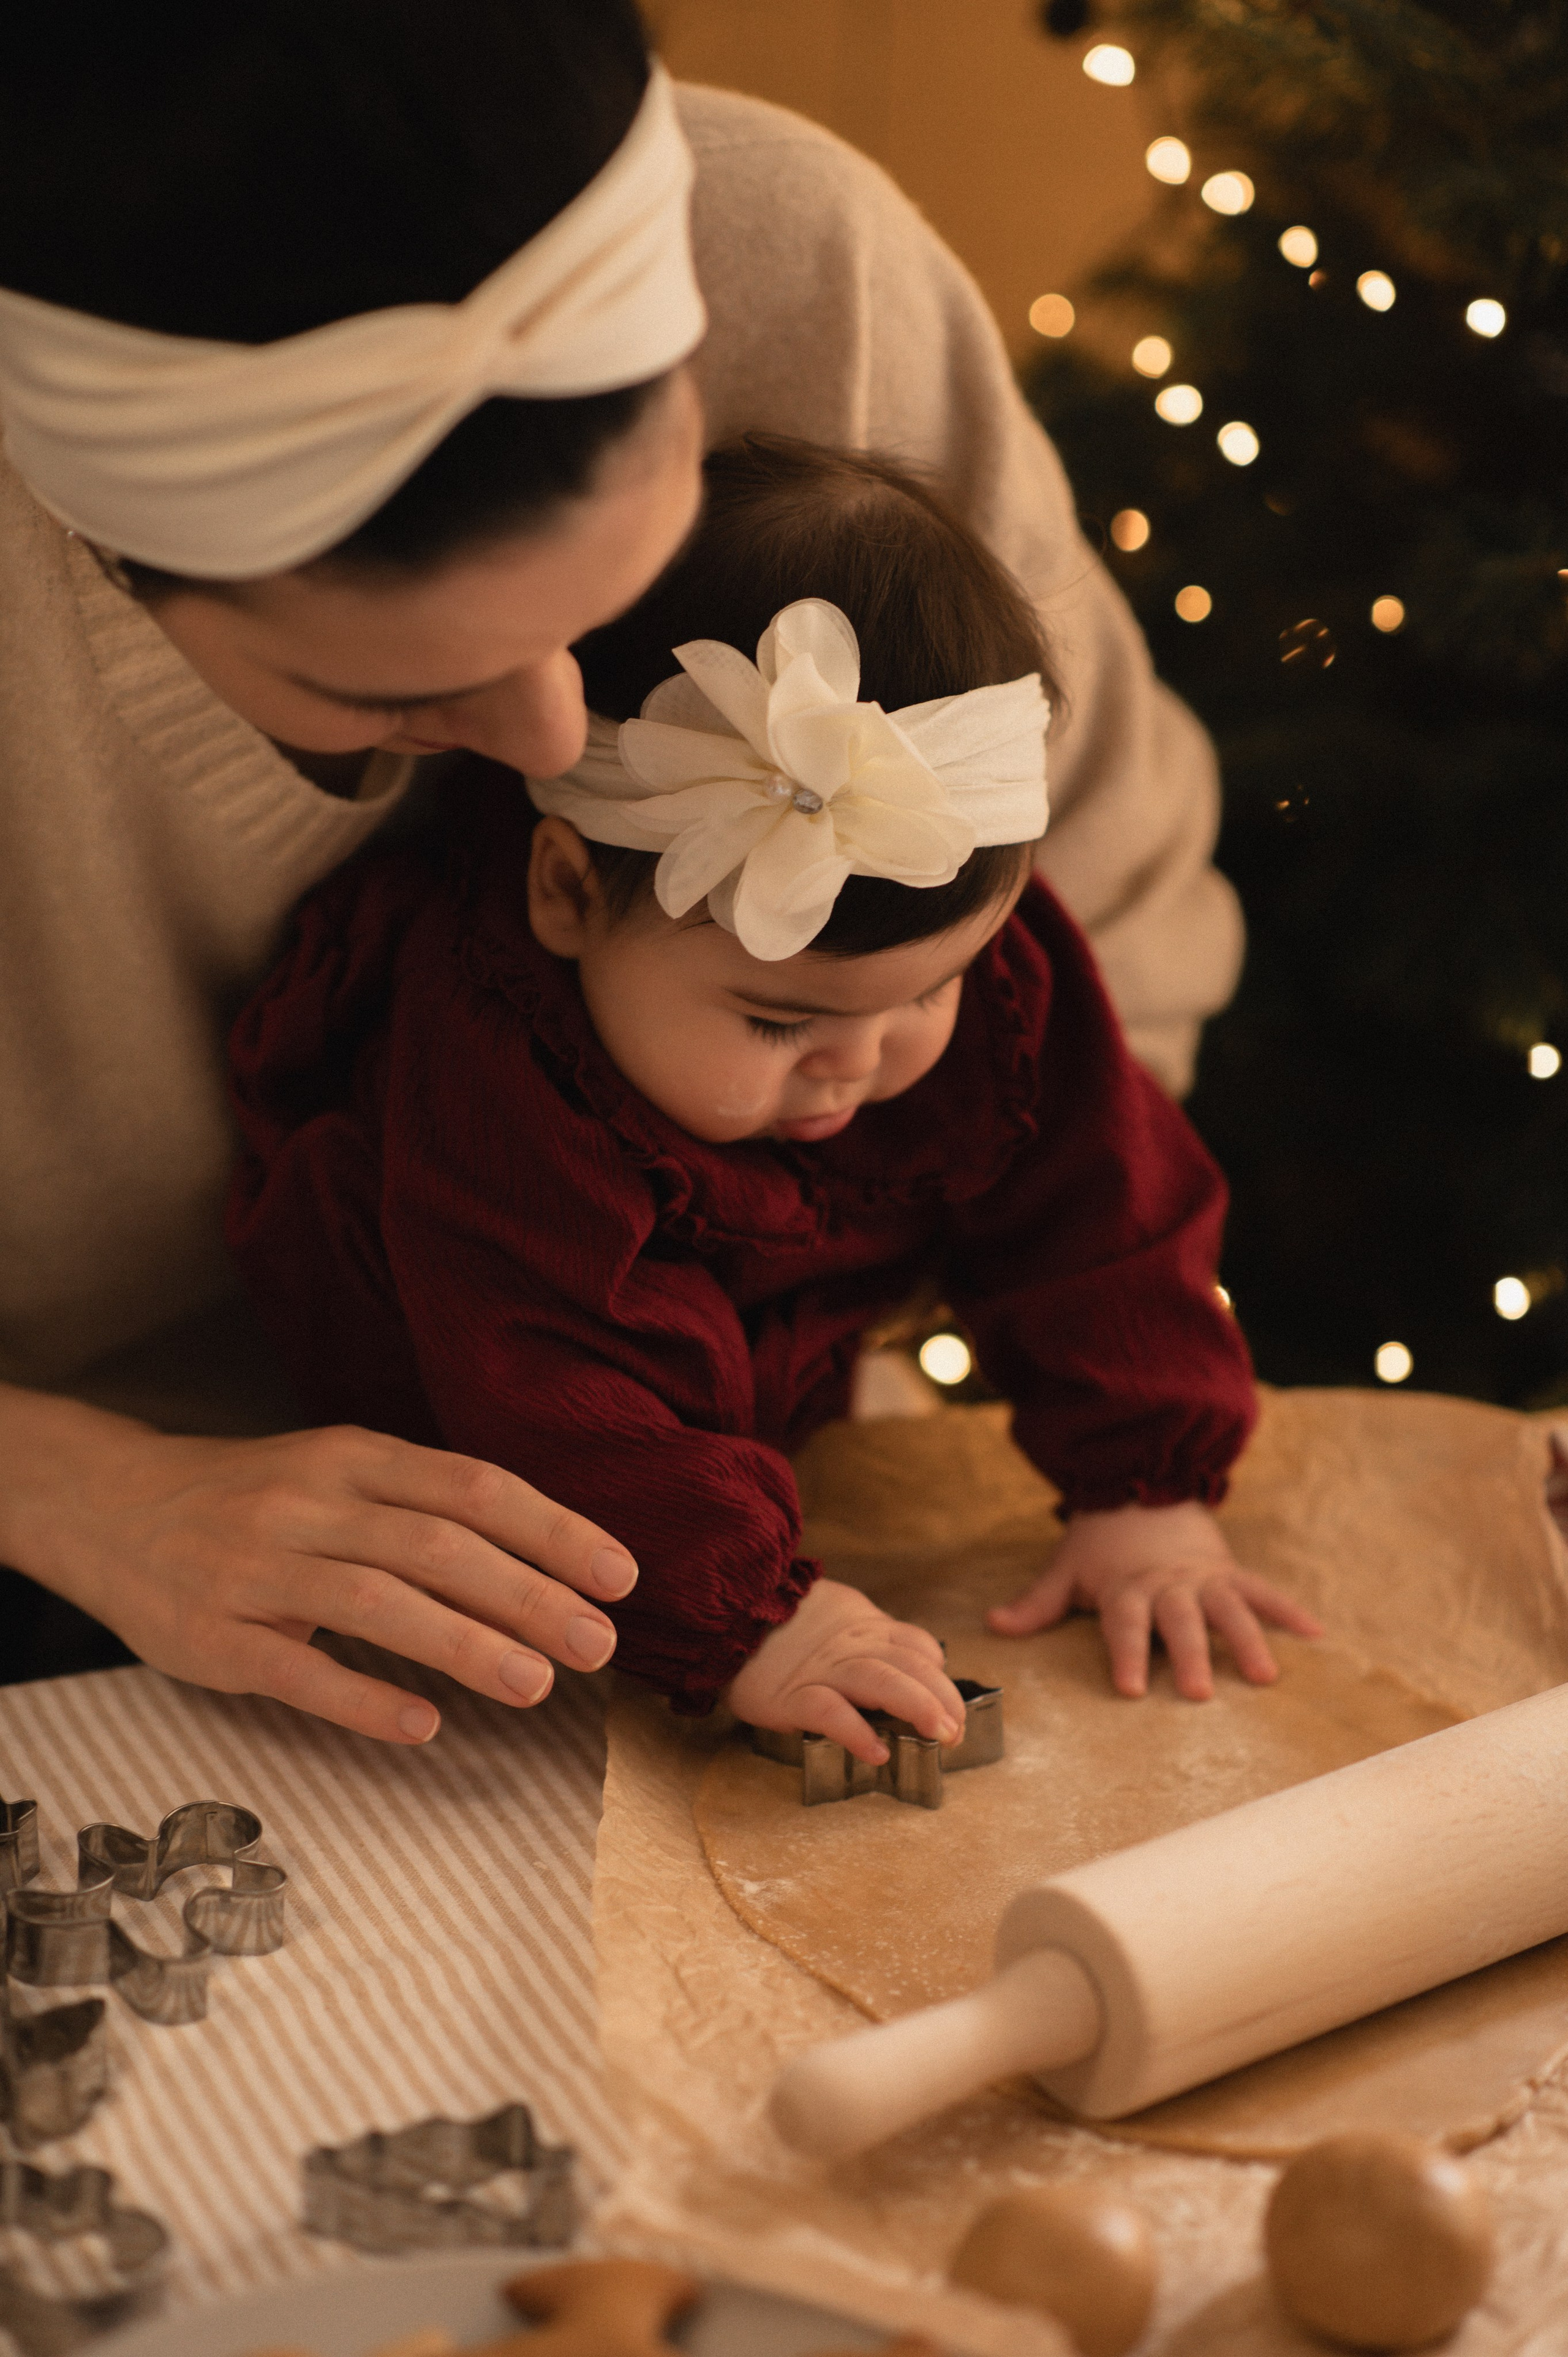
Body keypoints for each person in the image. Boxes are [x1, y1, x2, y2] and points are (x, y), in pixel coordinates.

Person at [0, 2, 1241, 1736]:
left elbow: (1099, 949)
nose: (543, 755)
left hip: (752, 1476)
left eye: (617, 595)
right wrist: (70, 1487)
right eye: (384, 687)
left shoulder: (795, 266)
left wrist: (1074, 1422)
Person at [225, 438, 1314, 1751]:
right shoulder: (485, 1073)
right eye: (778, 1017)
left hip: (770, 1416)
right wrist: (746, 1613)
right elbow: (551, 1387)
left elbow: (1105, 1206)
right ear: (566, 892)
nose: (861, 1061)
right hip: (496, 1477)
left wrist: (1141, 1483)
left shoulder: (986, 967)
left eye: (926, 992)